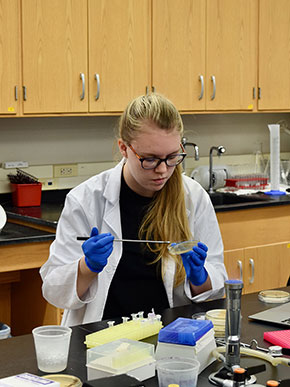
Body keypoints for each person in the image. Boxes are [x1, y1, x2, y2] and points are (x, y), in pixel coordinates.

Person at [40, 93, 228, 327]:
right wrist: (86, 267)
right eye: (149, 159)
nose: (162, 170)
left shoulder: (193, 197)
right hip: (102, 337)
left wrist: (201, 278)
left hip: (172, 334)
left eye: (172, 157)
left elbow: (216, 285)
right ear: (124, 148)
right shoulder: (85, 199)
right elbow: (53, 291)